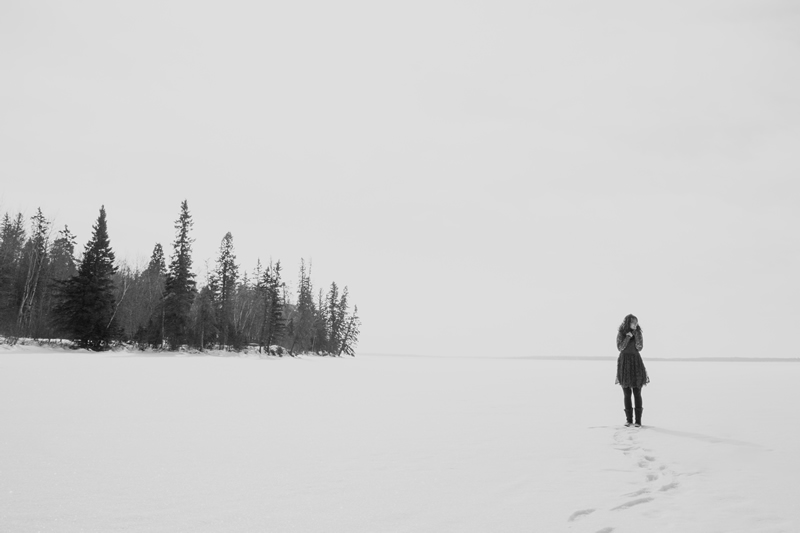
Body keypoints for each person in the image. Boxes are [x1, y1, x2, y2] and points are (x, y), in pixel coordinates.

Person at [615, 314, 649, 427]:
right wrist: (627, 337)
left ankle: (638, 421)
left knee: (637, 391)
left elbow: (640, 347)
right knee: (627, 393)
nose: (635, 324)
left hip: (636, 362)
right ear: (627, 323)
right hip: (624, 363)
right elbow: (620, 348)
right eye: (633, 322)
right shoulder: (621, 333)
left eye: (636, 322)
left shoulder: (638, 333)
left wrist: (635, 335)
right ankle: (629, 420)